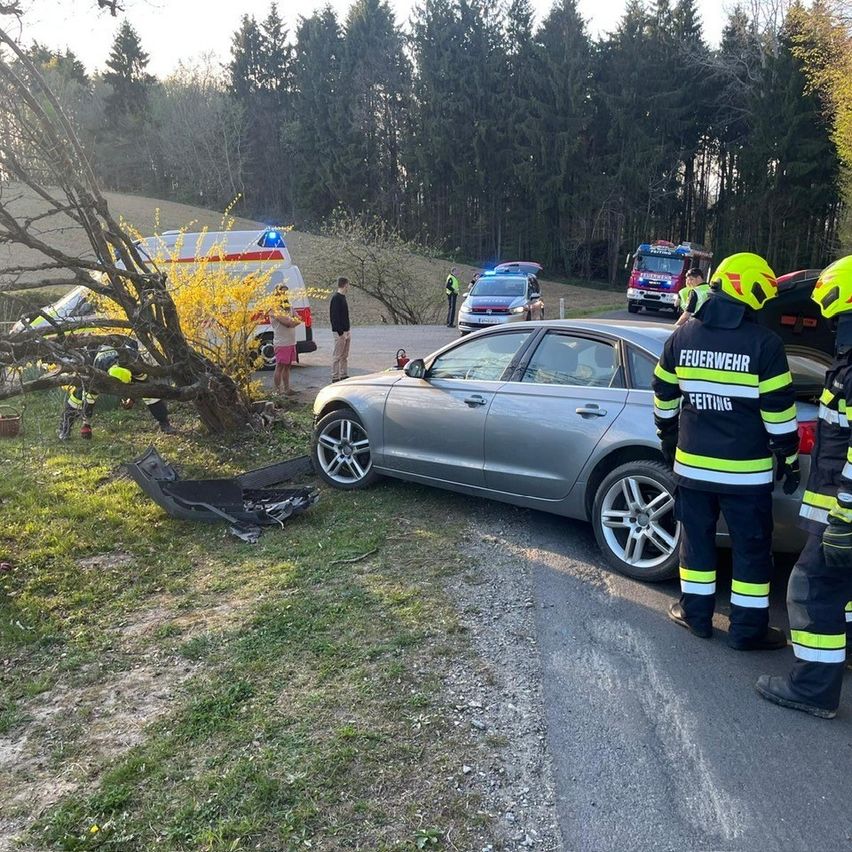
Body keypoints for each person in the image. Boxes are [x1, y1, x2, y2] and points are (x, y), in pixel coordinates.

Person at [652, 253, 800, 649]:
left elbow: (663, 394)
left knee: (696, 544)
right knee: (751, 551)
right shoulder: (765, 344)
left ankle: (695, 616)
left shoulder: (682, 337)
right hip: (745, 475)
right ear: (749, 289)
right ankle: (747, 632)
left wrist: (668, 438)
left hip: (692, 469)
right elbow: (779, 414)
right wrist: (789, 457)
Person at [756, 255, 852, 718]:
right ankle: (841, 657)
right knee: (843, 593)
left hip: (843, 511)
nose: (827, 323)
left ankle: (813, 688)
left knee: (809, 589)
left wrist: (845, 516)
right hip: (834, 502)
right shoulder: (846, 365)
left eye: (832, 314)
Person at [58, 343, 175, 440]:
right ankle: (65, 428)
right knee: (78, 398)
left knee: (151, 395)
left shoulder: (136, 366)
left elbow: (145, 385)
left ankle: (164, 423)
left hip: (124, 355)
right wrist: (86, 424)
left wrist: (132, 398)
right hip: (94, 359)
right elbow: (89, 400)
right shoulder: (98, 373)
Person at [268, 285, 302, 396]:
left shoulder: (289, 307)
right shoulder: (274, 309)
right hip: (281, 343)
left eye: (285, 293)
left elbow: (299, 319)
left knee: (287, 366)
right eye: (281, 292)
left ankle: (287, 389)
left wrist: (292, 322)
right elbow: (287, 323)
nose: (284, 295)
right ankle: (277, 391)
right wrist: (292, 321)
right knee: (280, 366)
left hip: (291, 342)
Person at [330, 276, 351, 383]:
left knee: (344, 355)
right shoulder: (336, 298)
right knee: (337, 355)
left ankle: (343, 374)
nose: (348, 287)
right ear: (345, 284)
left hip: (346, 331)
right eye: (348, 285)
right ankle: (335, 376)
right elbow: (334, 317)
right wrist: (340, 332)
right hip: (340, 332)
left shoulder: (343, 297)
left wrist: (348, 330)